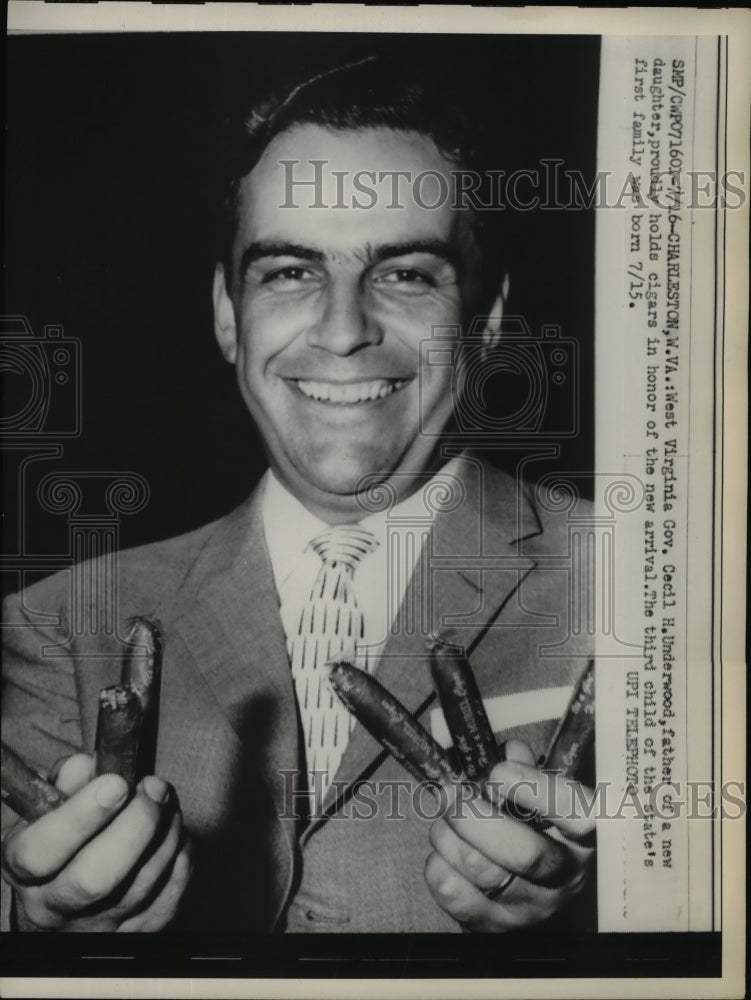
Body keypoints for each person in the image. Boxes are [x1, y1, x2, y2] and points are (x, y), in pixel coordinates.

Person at [1, 57, 596, 934]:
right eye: (289, 271)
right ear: (227, 314)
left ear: (486, 321)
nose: (344, 330)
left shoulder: (645, 577)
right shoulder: (55, 624)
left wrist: (610, 908)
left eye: (404, 273)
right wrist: (37, 929)